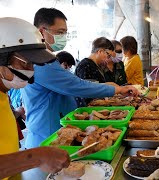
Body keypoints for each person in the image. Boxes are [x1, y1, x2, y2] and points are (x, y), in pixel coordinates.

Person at [21, 8, 138, 149]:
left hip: (58, 132)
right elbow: (76, 86)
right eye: (59, 32)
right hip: (47, 138)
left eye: (65, 33)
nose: (63, 37)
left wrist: (111, 86)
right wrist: (117, 89)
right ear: (41, 31)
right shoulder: (41, 62)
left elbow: (75, 83)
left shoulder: (46, 58)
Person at [0, 17, 69, 179]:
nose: (31, 71)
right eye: (25, 64)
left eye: (34, 64)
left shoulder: (4, 93)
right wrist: (37, 157)